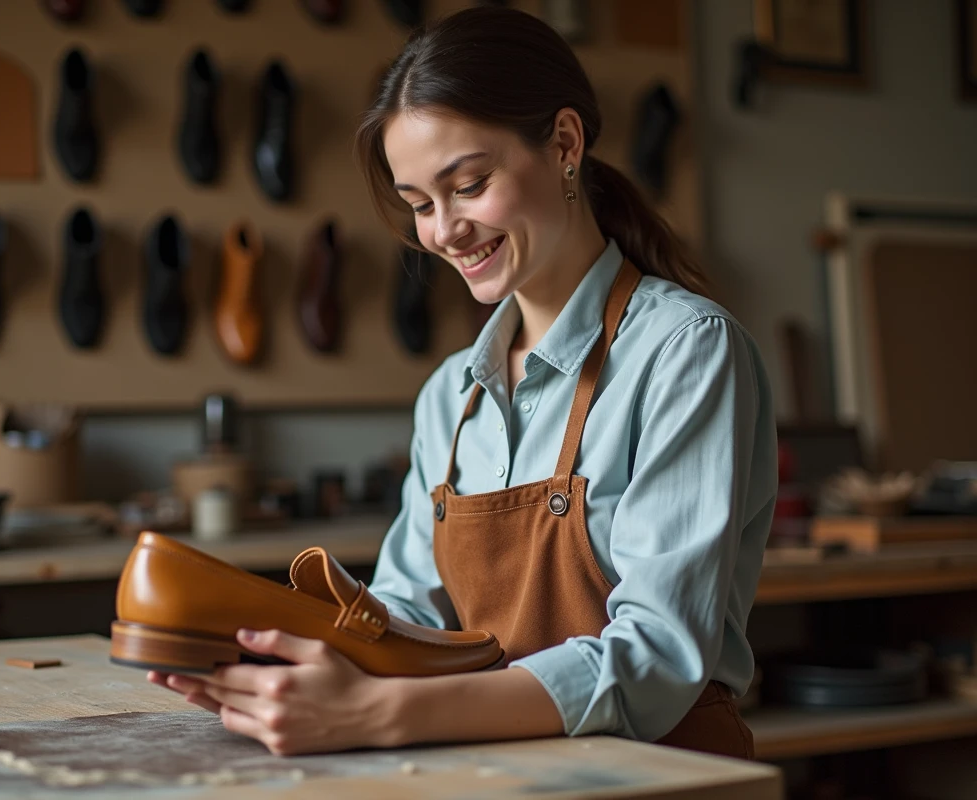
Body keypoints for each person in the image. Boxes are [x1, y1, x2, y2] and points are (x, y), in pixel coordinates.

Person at [148, 6, 776, 759]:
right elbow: (406, 617)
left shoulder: (686, 352)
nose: (443, 231)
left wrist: (376, 715)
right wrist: (270, 666)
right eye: (419, 204)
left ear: (565, 145)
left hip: (663, 775)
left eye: (468, 185)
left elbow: (655, 661)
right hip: (499, 772)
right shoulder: (452, 395)